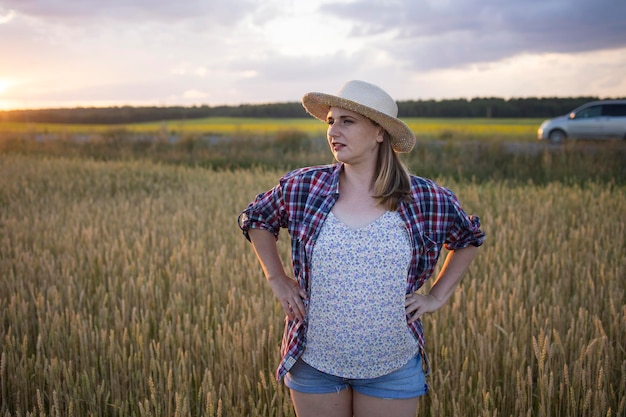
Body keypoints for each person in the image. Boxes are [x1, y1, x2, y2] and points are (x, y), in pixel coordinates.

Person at [238, 80, 485, 417]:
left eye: (347, 121)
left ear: (380, 132)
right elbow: (256, 218)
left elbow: (467, 238)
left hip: (392, 366)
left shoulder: (425, 197)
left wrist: (436, 297)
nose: (333, 130)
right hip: (315, 363)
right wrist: (276, 278)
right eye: (330, 121)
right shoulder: (304, 186)